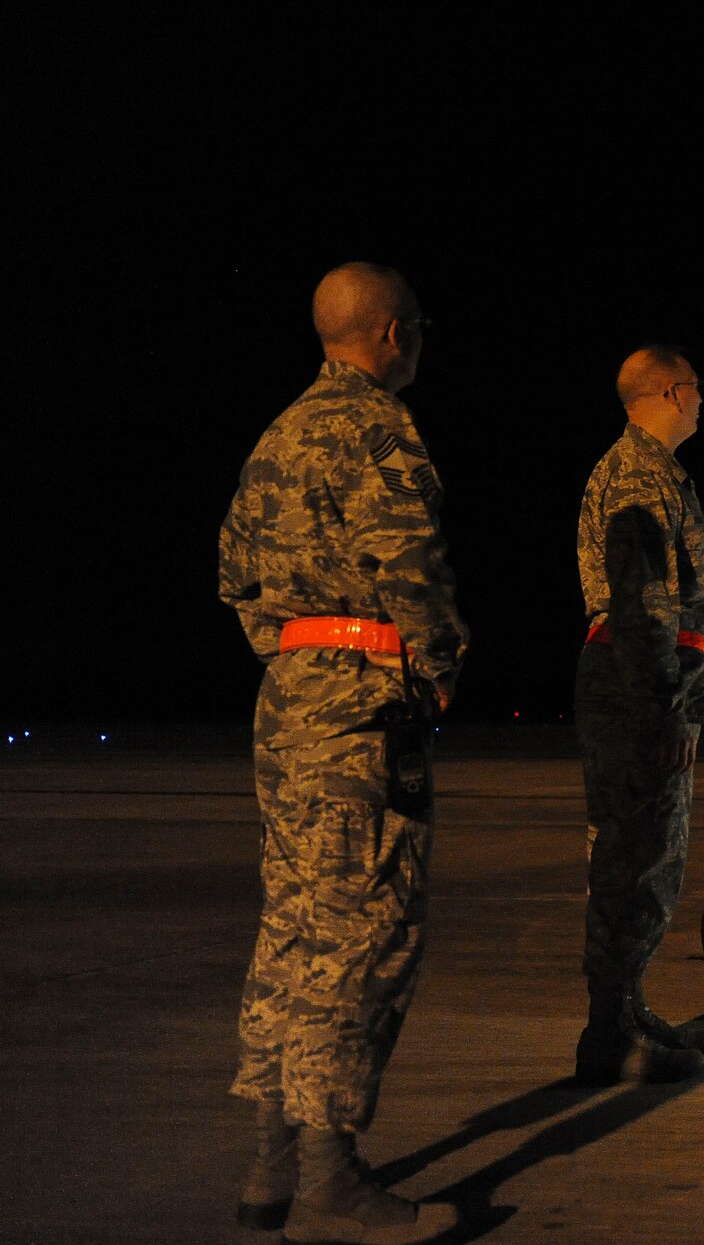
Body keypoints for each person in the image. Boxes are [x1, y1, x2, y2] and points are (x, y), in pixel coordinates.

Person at [217, 261, 467, 1245]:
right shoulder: (375, 430)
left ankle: (270, 1166)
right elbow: (414, 562)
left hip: (287, 703)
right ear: (394, 334)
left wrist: (299, 654)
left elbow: (236, 577)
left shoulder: (276, 437)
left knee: (292, 930)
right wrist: (434, 661)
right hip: (360, 709)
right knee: (361, 935)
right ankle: (329, 1169)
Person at [572, 344, 704, 1085]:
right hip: (641, 688)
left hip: (644, 681)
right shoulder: (639, 475)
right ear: (670, 389)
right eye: (696, 387)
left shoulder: (650, 471)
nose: (703, 399)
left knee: (647, 859)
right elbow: (642, 607)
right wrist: (668, 710)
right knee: (634, 861)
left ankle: (625, 1009)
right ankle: (608, 1032)